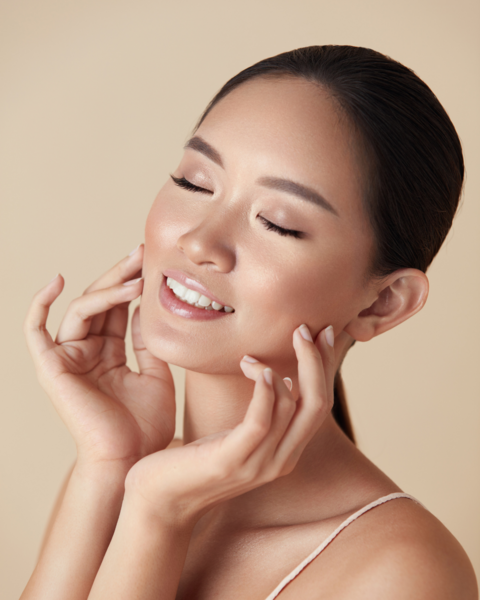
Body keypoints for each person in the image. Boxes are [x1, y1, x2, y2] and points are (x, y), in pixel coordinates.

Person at [21, 45, 478, 599]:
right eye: (194, 182)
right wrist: (107, 464)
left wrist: (159, 514)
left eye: (278, 223)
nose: (199, 242)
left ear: (383, 303)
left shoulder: (403, 573)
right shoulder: (129, 475)